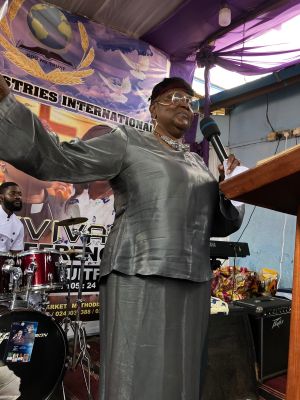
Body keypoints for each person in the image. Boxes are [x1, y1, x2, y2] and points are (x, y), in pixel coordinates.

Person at [0, 74, 244, 400]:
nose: (185, 102)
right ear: (153, 109)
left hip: (194, 279)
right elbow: (59, 157)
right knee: (137, 373)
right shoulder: (128, 140)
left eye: (190, 99)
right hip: (139, 272)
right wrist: (5, 105)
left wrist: (230, 189)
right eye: (174, 97)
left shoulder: (197, 163)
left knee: (184, 374)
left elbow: (220, 224)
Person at [0, 182, 24, 253]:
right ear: (1, 198)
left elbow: (15, 254)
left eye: (19, 194)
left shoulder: (18, 225)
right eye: (12, 194)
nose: (18, 197)